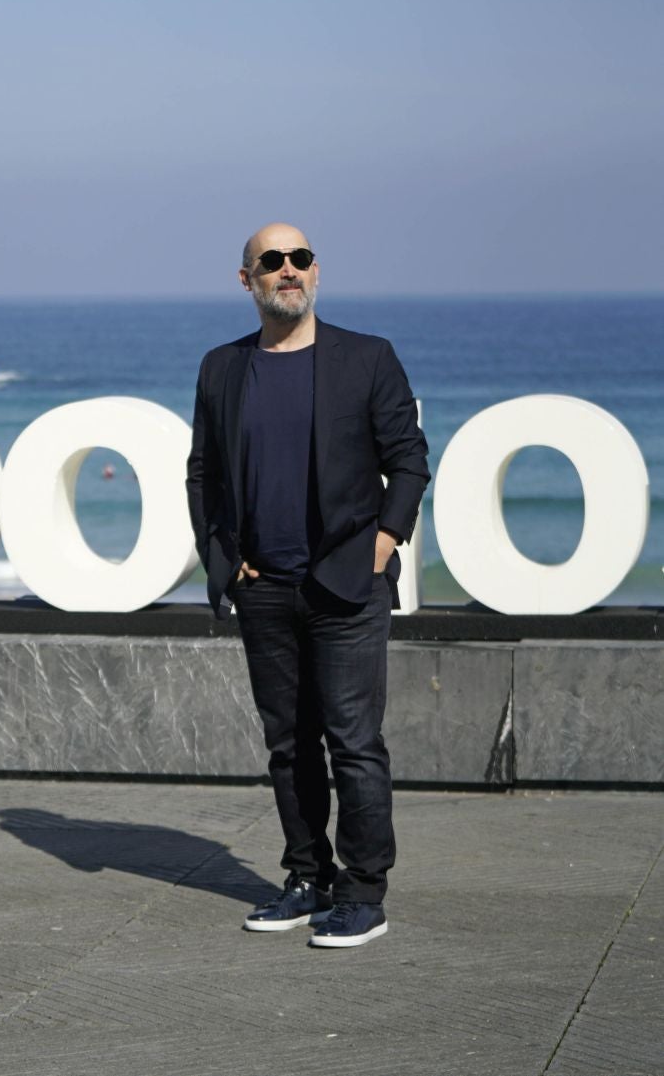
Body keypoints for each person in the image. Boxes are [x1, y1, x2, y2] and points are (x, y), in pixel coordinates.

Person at [185, 222, 430, 949]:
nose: (287, 269)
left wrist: (383, 544)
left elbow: (409, 461)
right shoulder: (221, 367)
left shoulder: (367, 358)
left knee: (353, 741)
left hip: (346, 586)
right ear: (247, 279)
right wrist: (223, 560)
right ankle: (306, 877)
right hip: (264, 589)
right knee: (289, 745)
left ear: (315, 270)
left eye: (299, 258)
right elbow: (203, 472)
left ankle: (362, 892)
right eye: (272, 260)